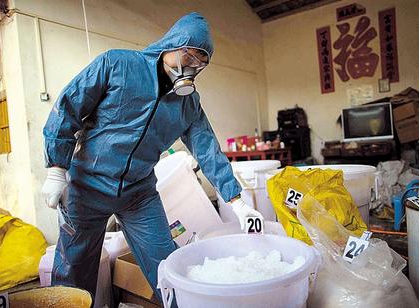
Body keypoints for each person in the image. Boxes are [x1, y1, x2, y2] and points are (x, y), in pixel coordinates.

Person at [41, 12, 263, 304]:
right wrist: (56, 169)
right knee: (75, 270)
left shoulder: (188, 103)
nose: (193, 67)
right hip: (88, 186)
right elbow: (68, 106)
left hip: (138, 193)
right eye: (190, 56)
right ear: (172, 44)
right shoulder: (117, 65)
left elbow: (208, 150)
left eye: (201, 62)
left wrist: (238, 203)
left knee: (167, 266)